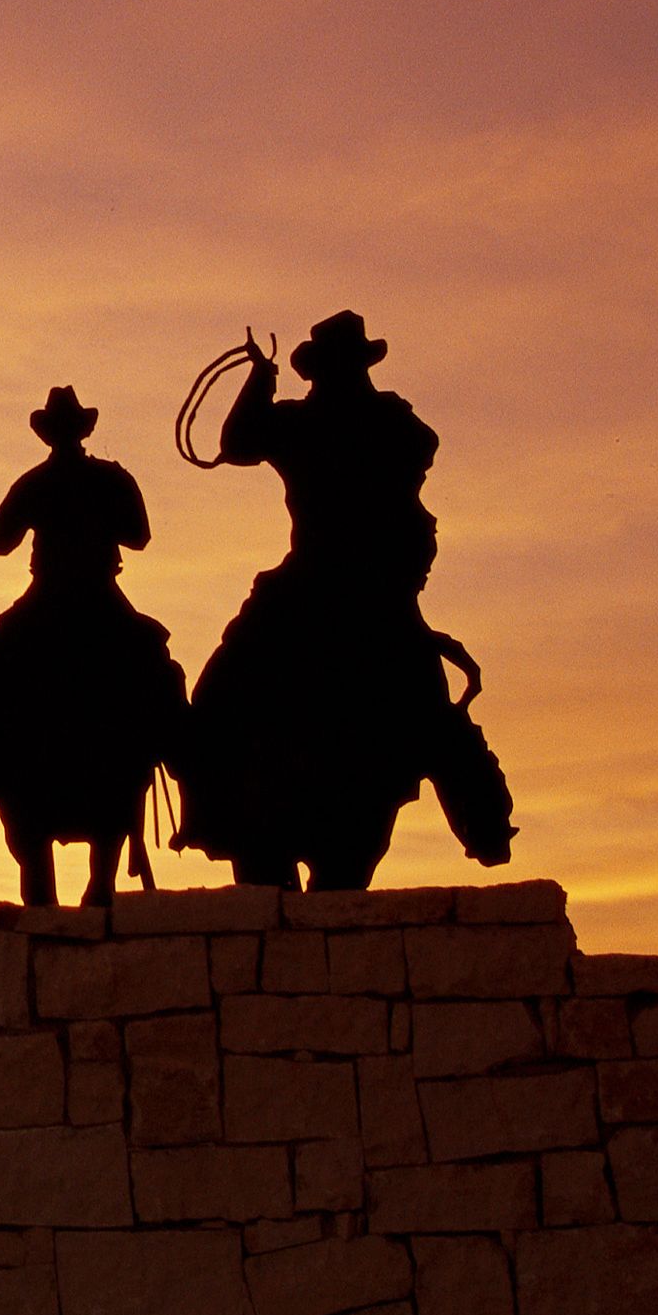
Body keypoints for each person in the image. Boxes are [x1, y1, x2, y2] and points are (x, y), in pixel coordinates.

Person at [171, 313, 515, 889]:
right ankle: (487, 822)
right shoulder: (395, 423)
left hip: (322, 586)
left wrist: (261, 379)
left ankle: (209, 799)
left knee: (220, 694)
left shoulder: (315, 424)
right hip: (374, 593)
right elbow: (418, 456)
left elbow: (235, 443)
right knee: (434, 717)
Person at [0, 386, 186, 906]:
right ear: (82, 431)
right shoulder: (111, 478)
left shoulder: (36, 481)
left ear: (49, 433)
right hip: (99, 599)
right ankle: (178, 761)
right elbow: (139, 536)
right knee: (158, 669)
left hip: (46, 600)